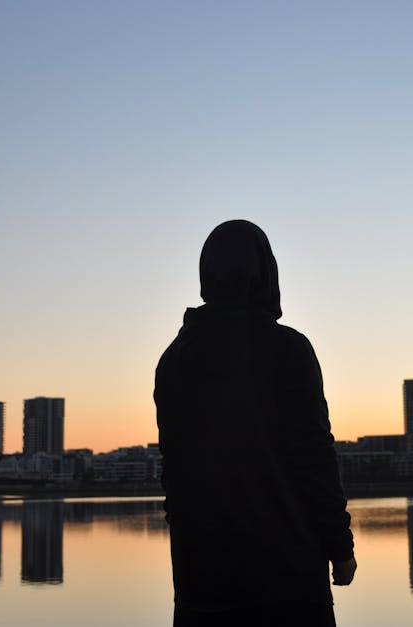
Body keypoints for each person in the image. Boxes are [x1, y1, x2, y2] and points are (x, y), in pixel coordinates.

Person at [155, 220, 356, 627]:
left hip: (202, 585)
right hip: (289, 583)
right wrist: (340, 547)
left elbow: (173, 476)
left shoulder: (174, 359)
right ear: (265, 273)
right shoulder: (288, 350)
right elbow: (315, 457)